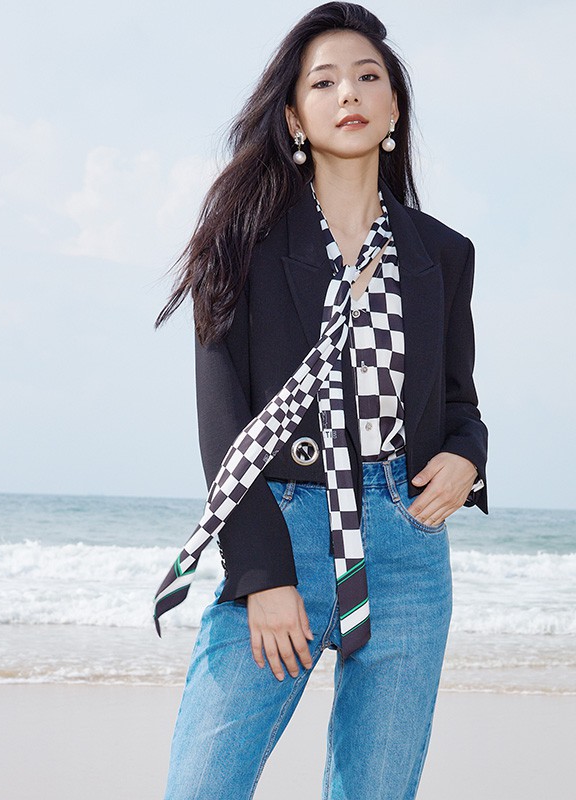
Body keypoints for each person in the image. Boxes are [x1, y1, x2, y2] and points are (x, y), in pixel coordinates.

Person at [154, 3, 488, 798]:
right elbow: (223, 421)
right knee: (202, 787)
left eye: (368, 77)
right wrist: (261, 572)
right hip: (284, 526)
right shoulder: (240, 238)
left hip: (407, 542)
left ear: (394, 108)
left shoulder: (443, 253)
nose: (349, 93)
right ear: (294, 116)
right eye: (325, 81)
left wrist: (467, 456)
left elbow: (458, 401)